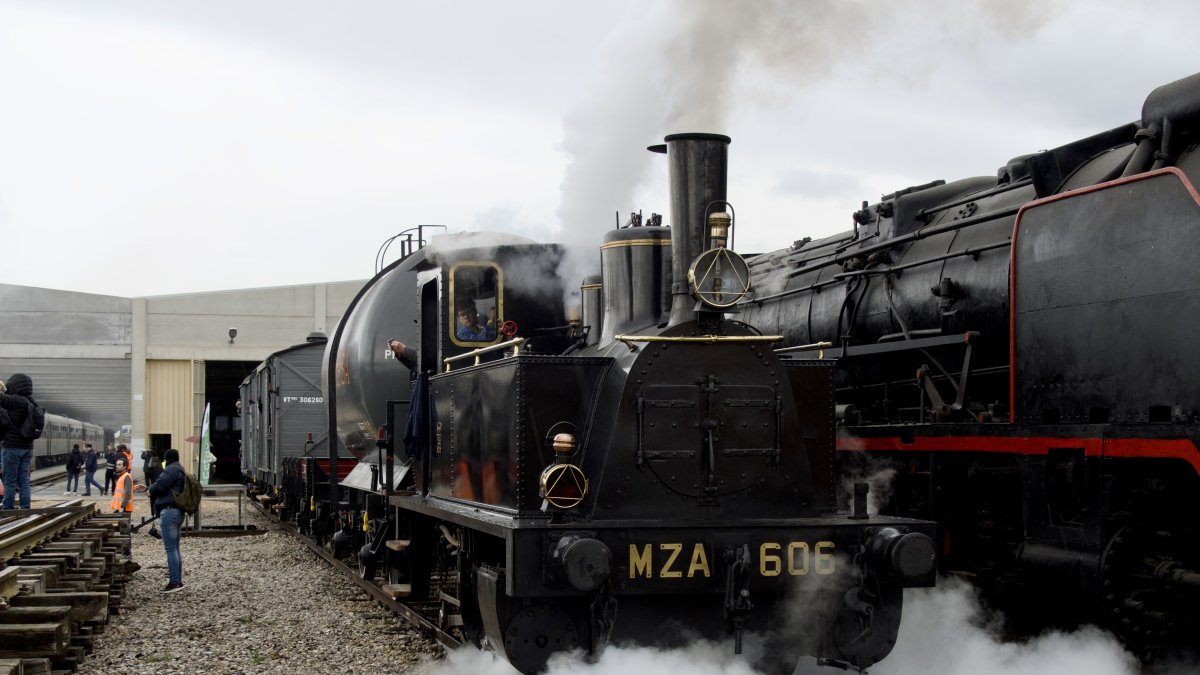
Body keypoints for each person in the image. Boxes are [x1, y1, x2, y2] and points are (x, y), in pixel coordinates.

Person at [0, 373, 42, 509]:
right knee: (24, 481)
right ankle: (25, 507)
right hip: (28, 447)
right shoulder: (31, 402)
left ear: (14, 386)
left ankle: (8, 508)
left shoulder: (15, 400)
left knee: (10, 481)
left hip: (12, 447)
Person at [147, 448, 185, 593]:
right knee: (175, 548)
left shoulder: (171, 469)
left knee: (170, 549)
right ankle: (177, 580)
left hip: (169, 512)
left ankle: (174, 582)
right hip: (177, 512)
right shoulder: (179, 468)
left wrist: (150, 490)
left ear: (167, 459)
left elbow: (160, 485)